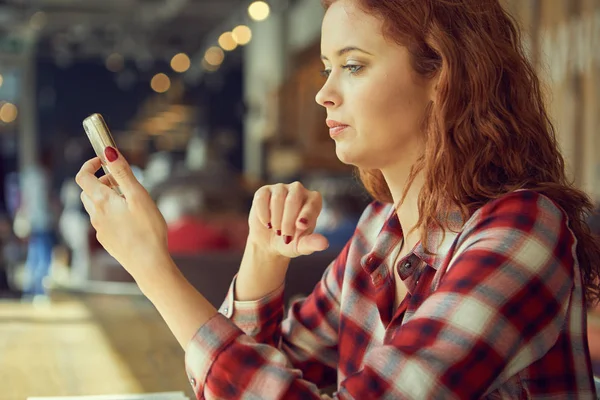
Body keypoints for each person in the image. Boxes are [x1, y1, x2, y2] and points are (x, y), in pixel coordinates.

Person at [75, 0, 600, 398]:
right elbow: (252, 376)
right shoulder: (381, 231)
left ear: (443, 75)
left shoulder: (522, 232)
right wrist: (263, 258)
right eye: (327, 66)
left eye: (352, 65)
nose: (324, 92)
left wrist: (152, 270)